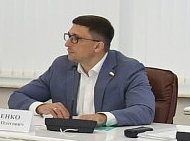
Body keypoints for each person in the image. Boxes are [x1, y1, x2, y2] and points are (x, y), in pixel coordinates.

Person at [8, 15, 155, 127]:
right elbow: (17, 97)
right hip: (67, 140)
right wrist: (41, 107)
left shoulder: (128, 69)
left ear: (97, 46)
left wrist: (102, 118)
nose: (67, 44)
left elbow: (144, 110)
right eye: (69, 37)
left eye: (75, 38)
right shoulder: (61, 66)